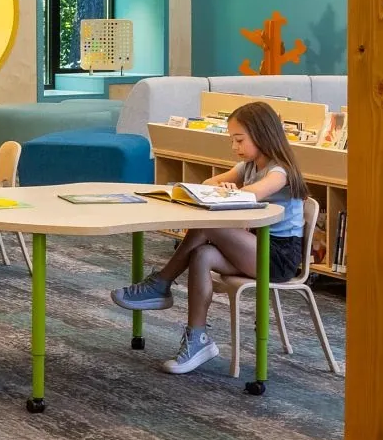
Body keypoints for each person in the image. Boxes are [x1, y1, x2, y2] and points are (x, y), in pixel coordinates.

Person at [110, 100, 309, 376]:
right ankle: (198, 338)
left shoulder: (280, 171)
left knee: (208, 223)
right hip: (252, 246)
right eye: (232, 141)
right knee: (202, 255)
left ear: (262, 135)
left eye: (239, 140)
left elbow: (251, 195)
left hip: (278, 256)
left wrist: (231, 192)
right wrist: (224, 186)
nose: (235, 148)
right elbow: (207, 185)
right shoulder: (248, 166)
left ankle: (162, 282)